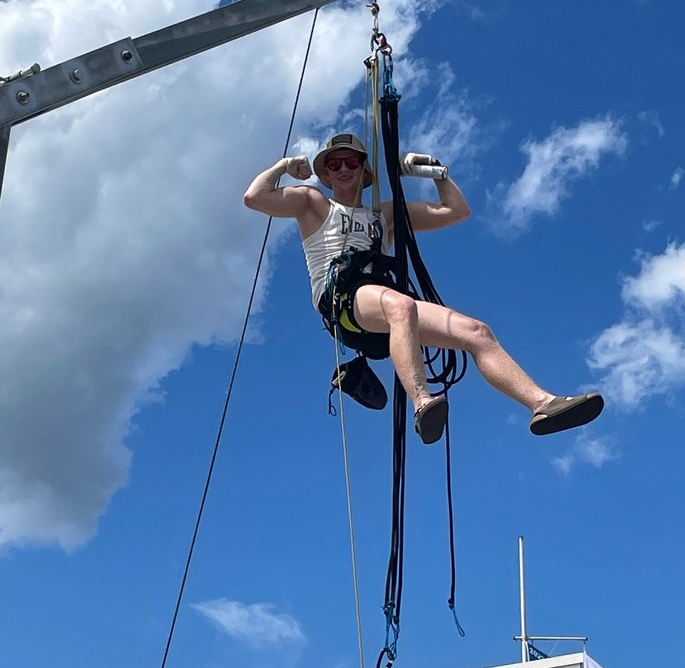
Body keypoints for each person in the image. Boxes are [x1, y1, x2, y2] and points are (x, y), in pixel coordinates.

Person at [243, 133, 604, 444]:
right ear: (324, 173)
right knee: (402, 306)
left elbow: (457, 211)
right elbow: (255, 198)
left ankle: (542, 404)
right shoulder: (312, 202)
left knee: (476, 332)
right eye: (334, 164)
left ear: (363, 168)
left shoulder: (384, 215)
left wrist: (435, 171)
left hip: (385, 302)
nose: (343, 169)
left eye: (350, 160)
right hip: (344, 302)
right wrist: (284, 166)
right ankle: (423, 404)